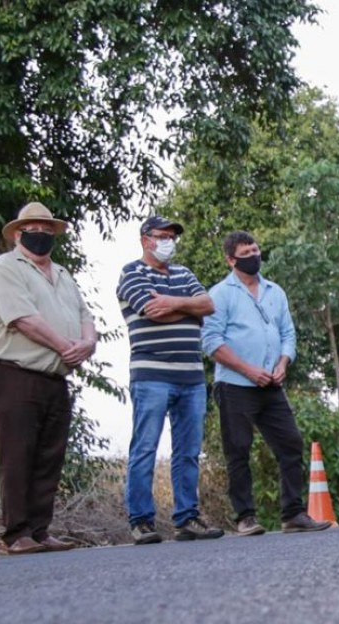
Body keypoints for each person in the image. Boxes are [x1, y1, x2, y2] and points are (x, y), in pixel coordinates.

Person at [201, 231, 331, 535]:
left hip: (272, 385)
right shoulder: (220, 294)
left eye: (256, 250)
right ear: (231, 259)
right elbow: (212, 342)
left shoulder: (275, 291)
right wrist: (248, 370)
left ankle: (293, 514)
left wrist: (283, 362)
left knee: (290, 443)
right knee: (238, 451)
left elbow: (288, 333)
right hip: (235, 385)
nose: (254, 256)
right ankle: (245, 517)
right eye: (246, 253)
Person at [0, 201, 94, 554]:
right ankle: (17, 532)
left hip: (56, 376)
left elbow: (84, 314)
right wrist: (65, 346)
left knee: (50, 453)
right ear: (18, 233)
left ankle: (40, 528)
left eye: (48, 231)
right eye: (35, 230)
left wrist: (87, 344)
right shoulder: (6, 267)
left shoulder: (62, 273)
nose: (42, 236)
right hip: (16, 372)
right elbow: (21, 318)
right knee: (17, 453)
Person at [117, 215, 221, 543]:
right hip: (151, 375)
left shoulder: (183, 273)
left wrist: (176, 304)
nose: (168, 242)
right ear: (145, 239)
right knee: (145, 447)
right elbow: (152, 310)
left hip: (190, 375)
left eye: (171, 237)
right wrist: (189, 310)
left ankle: (187, 517)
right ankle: (141, 520)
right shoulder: (131, 273)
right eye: (161, 236)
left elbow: (208, 305)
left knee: (188, 450)